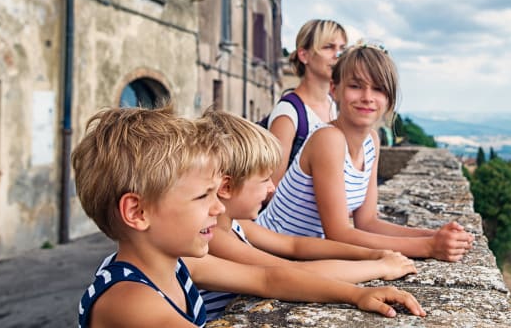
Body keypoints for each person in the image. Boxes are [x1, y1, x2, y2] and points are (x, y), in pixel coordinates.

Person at [72, 107, 425, 327]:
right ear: (138, 212)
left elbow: (268, 280)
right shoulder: (130, 301)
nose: (218, 207)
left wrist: (356, 295)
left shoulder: (176, 264)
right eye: (202, 196)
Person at [256, 41, 476, 262]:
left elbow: (368, 222)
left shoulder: (371, 140)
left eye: (378, 88)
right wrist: (428, 247)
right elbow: (339, 234)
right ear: (335, 90)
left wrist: (435, 235)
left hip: (297, 259)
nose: (367, 97)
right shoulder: (328, 139)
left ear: (389, 98)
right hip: (265, 255)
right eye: (356, 86)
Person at [201, 109, 417, 319]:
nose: (272, 188)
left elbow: (295, 245)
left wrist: (371, 253)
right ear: (227, 188)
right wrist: (378, 267)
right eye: (264, 180)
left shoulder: (234, 223)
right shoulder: (213, 235)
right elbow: (286, 273)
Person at [267, 19, 346, 185]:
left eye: (342, 49)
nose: (337, 56)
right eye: (328, 47)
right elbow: (271, 187)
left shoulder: (334, 106)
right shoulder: (288, 114)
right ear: (304, 55)